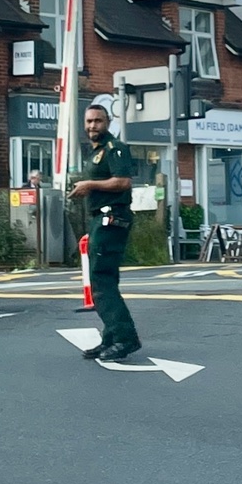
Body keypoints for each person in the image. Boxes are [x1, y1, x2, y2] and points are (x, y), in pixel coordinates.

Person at [67, 104, 141, 361]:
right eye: (88, 121)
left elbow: (123, 181)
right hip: (101, 218)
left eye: (98, 121)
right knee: (103, 280)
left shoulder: (115, 148)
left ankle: (124, 338)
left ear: (107, 122)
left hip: (113, 218)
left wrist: (89, 184)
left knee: (102, 280)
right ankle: (110, 336)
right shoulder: (96, 152)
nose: (92, 126)